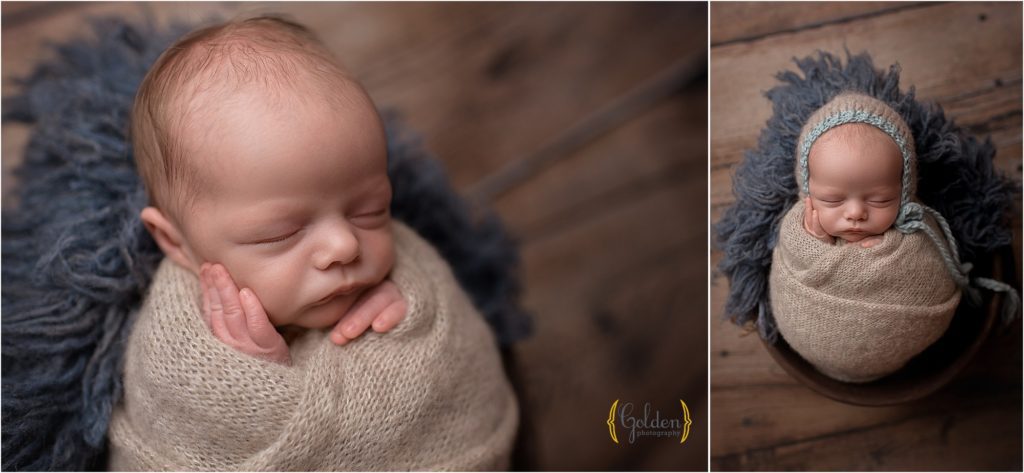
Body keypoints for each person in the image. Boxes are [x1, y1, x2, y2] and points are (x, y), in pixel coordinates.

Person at [131, 15, 407, 364]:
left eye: (371, 211)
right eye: (282, 233)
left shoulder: (399, 274)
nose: (345, 245)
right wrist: (254, 371)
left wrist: (410, 312)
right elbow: (165, 413)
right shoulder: (176, 339)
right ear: (177, 242)